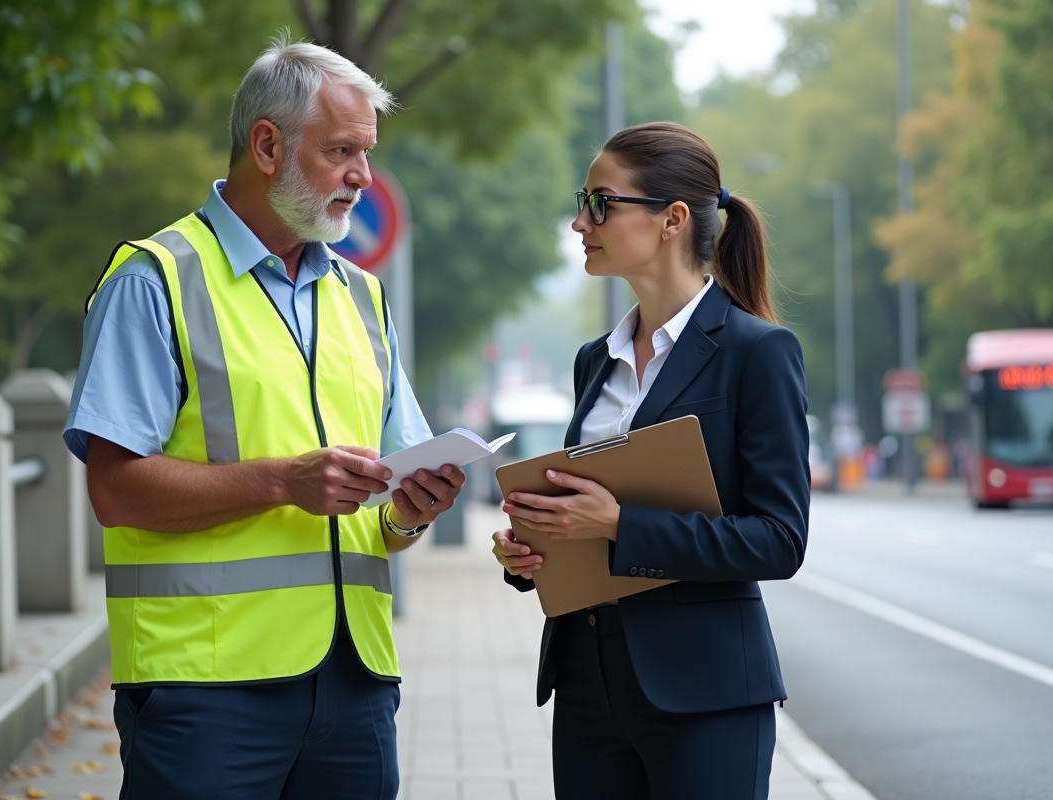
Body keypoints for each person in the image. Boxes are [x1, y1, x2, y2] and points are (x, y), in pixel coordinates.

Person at [63, 37, 464, 800]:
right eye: (342, 150)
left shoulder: (363, 297)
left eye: (367, 153)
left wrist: (414, 511)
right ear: (268, 144)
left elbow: (385, 507)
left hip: (355, 685)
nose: (362, 177)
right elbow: (116, 492)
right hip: (206, 690)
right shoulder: (155, 280)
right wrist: (284, 481)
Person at [492, 121, 809, 800]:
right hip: (585, 687)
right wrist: (535, 549)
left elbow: (780, 540)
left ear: (670, 220)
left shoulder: (758, 353)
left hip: (706, 696)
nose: (582, 222)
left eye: (602, 202)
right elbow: (590, 517)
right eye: (584, 202)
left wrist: (617, 524)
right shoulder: (593, 362)